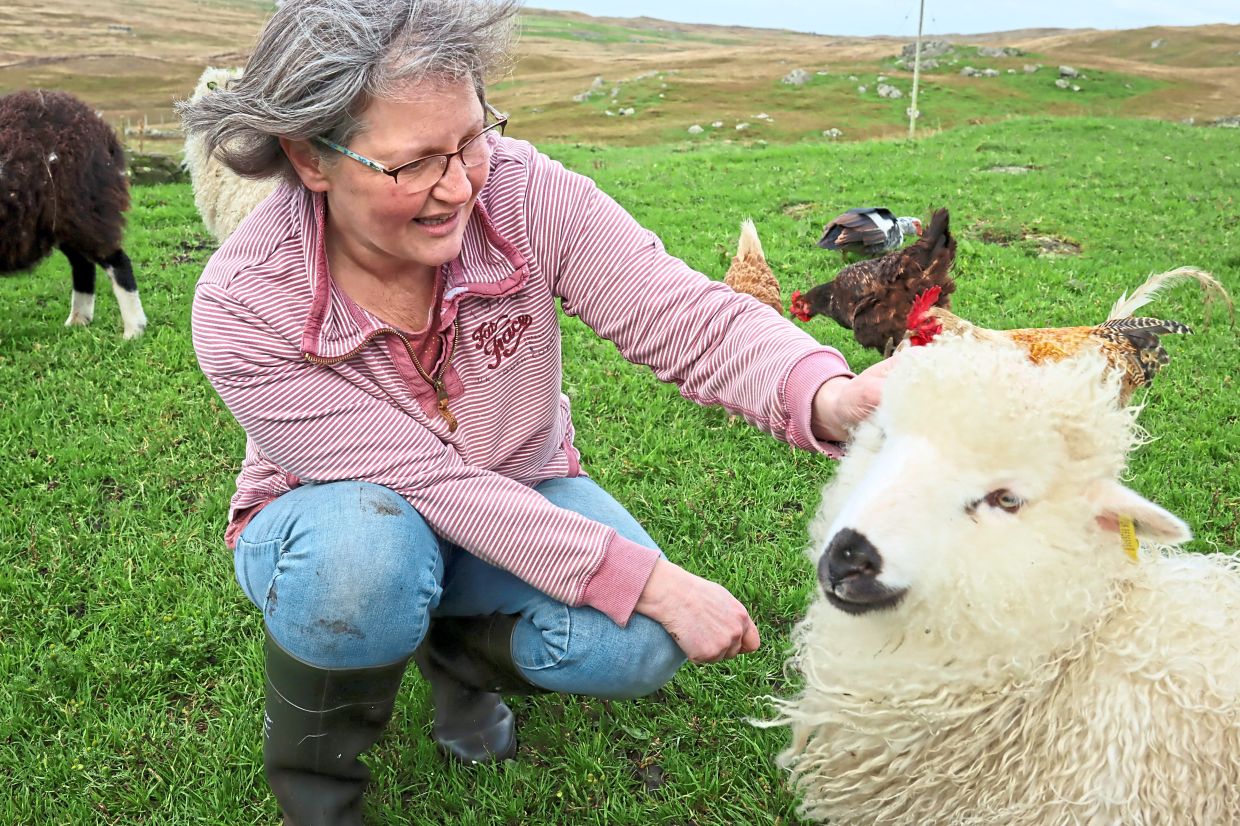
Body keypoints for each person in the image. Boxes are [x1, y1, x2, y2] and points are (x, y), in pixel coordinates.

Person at [179, 0, 893, 822]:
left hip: (519, 483)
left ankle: (453, 650)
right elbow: (429, 482)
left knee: (638, 642)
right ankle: (320, 792)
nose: (458, 186)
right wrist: (649, 577)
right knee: (366, 559)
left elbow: (681, 313)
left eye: (472, 138)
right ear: (311, 157)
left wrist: (828, 397)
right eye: (413, 164)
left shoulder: (521, 191)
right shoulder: (243, 302)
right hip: (338, 516)